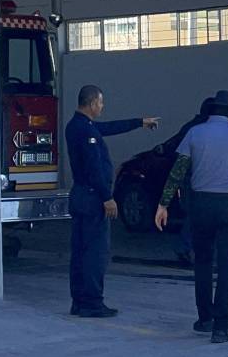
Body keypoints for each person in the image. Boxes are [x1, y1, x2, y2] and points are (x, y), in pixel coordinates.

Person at [155, 90, 228, 344]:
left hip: (200, 205)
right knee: (227, 267)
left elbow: (178, 172)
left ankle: (204, 319)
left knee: (202, 263)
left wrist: (163, 204)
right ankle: (221, 328)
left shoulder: (194, 133)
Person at [64, 85, 160, 317]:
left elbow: (108, 127)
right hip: (92, 197)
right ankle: (92, 302)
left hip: (80, 195)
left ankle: (79, 301)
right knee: (95, 253)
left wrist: (138, 122)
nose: (102, 106)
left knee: (80, 251)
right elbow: (94, 166)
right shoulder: (86, 132)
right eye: (101, 102)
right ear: (92, 103)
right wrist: (108, 198)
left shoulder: (78, 125)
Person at [156, 97, 216, 265]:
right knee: (199, 216)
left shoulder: (192, 127)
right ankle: (189, 247)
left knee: (194, 214)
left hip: (190, 176)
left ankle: (188, 248)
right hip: (201, 178)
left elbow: (175, 147)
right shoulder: (208, 129)